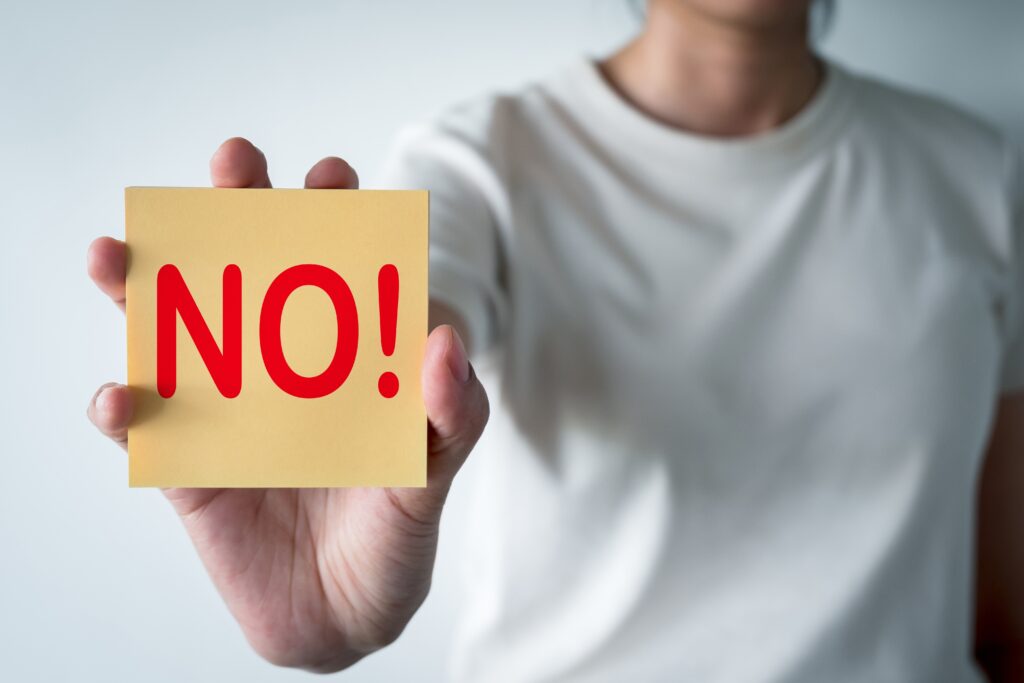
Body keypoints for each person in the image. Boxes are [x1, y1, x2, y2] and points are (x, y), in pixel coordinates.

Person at [86, 1, 1024, 681]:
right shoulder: (482, 160)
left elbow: (997, 603)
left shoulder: (981, 177)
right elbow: (416, 320)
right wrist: (324, 442)